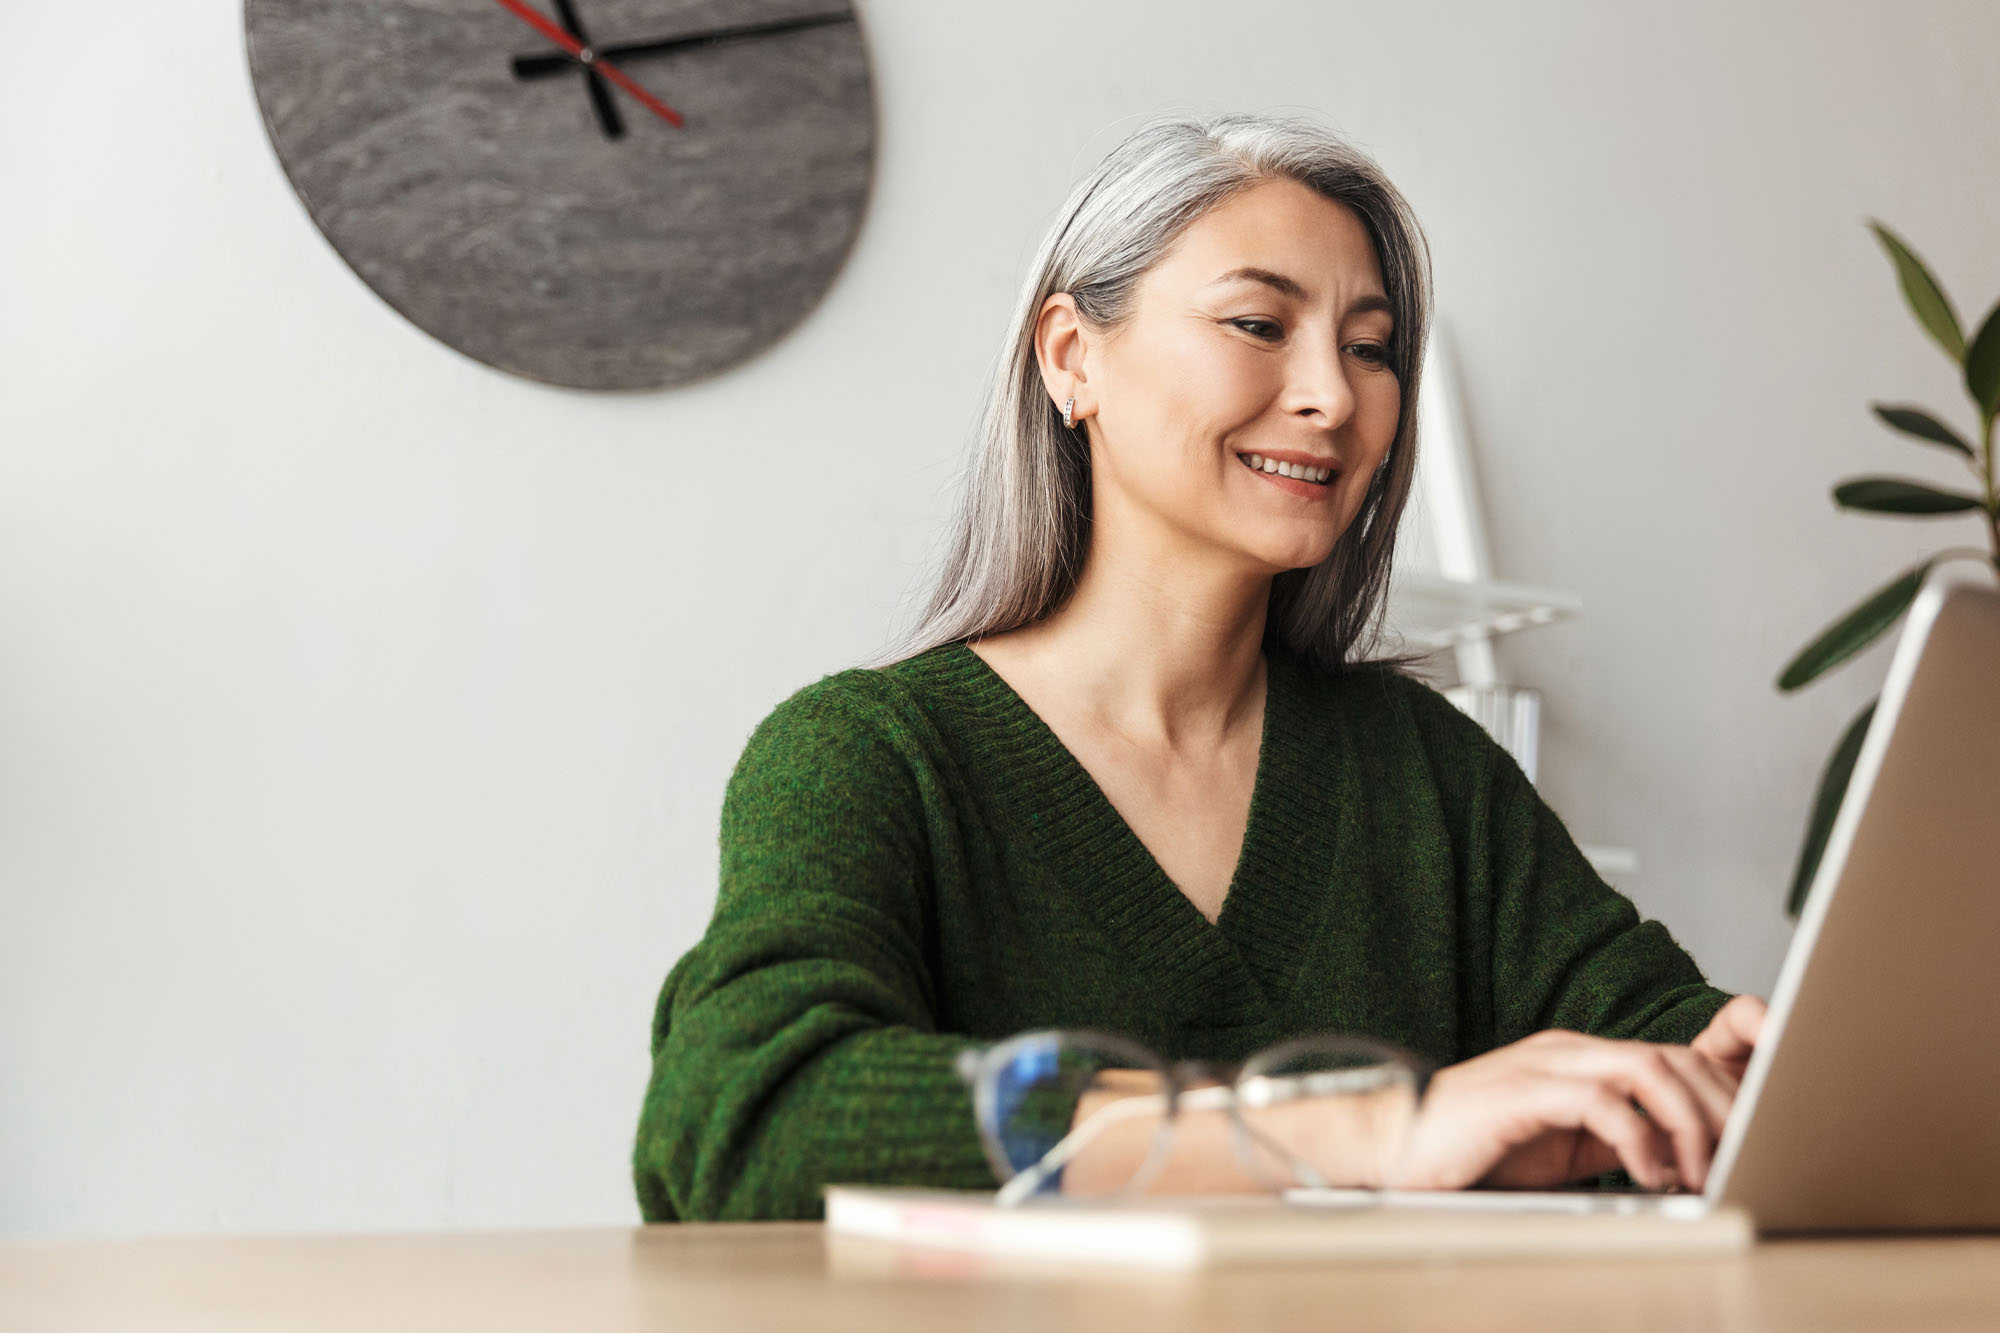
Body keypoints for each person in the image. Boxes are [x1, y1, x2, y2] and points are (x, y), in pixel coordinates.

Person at [631, 112, 1767, 1223]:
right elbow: (748, 1109)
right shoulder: (869, 755)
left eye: (1369, 347)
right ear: (1072, 358)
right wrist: (1366, 1130)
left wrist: (1745, 1070)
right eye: (1258, 325)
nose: (1331, 395)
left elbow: (1648, 1038)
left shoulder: (1423, 771)